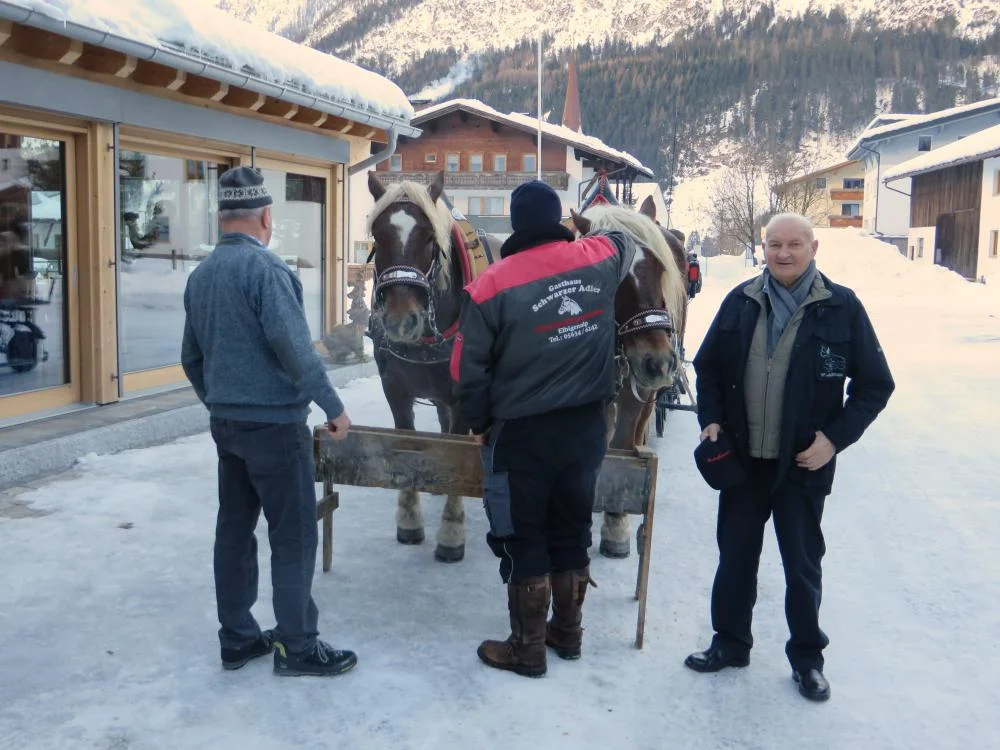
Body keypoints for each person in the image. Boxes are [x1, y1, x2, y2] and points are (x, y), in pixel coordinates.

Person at [686, 213, 894, 702]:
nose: (784, 253)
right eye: (775, 244)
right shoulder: (740, 302)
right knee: (735, 557)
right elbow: (708, 367)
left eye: (794, 244)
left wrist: (834, 440)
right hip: (741, 461)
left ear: (814, 247)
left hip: (803, 464)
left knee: (801, 565)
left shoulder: (841, 307)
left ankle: (807, 660)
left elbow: (875, 386)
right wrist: (710, 418)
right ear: (764, 247)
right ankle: (730, 643)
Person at [451, 180, 636, 678]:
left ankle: (527, 648)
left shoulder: (489, 285)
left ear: (513, 224)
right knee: (572, 528)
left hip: (521, 434)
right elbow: (627, 241)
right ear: (560, 220)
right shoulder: (598, 256)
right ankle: (568, 635)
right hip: (586, 429)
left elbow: (467, 372)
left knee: (522, 535)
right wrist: (581, 229)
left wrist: (479, 423)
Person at [181, 166, 355, 678]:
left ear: (220, 218)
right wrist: (333, 406)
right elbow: (296, 351)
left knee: (234, 530)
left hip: (228, 426)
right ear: (265, 217)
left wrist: (219, 401)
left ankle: (236, 638)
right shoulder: (268, 272)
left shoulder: (201, 276)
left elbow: (190, 357)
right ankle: (297, 646)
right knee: (294, 534)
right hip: (276, 430)